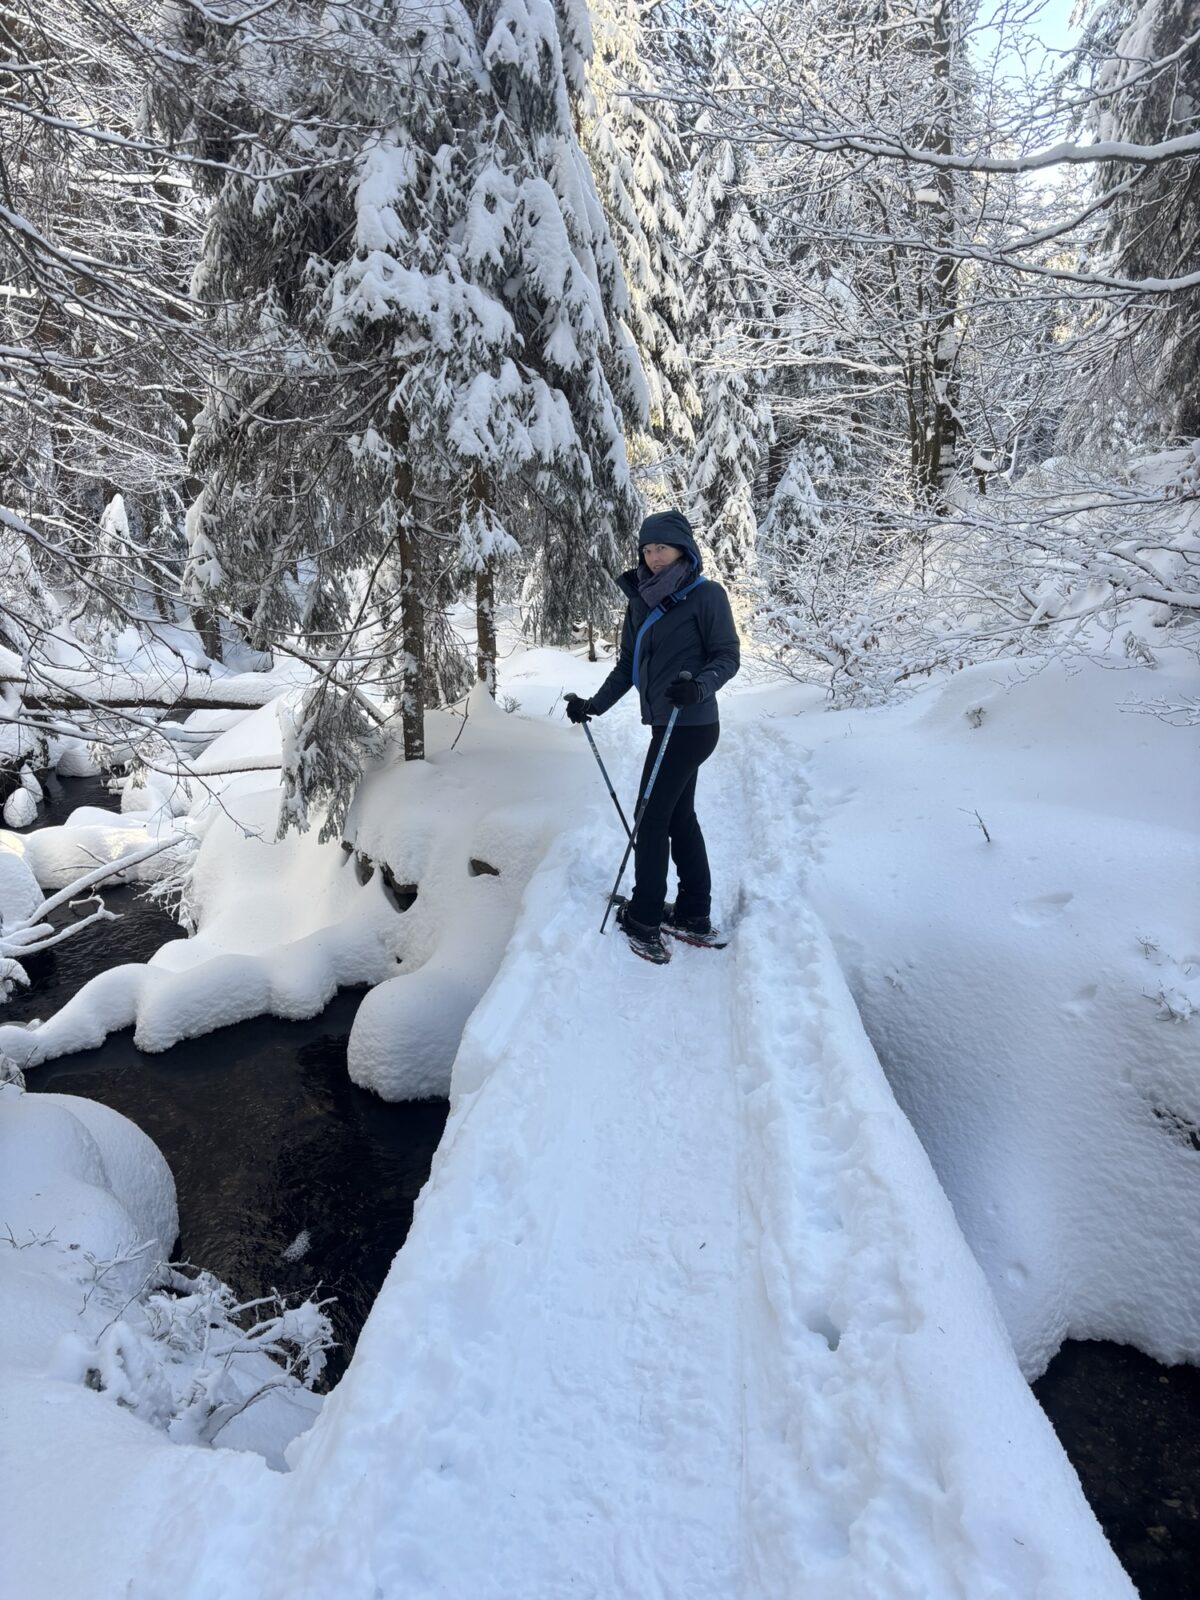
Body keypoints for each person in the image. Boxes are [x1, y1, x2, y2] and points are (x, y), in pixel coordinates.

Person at [565, 509, 740, 964]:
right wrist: (593, 705)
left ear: (683, 547)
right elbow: (627, 666)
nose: (654, 556)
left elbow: (727, 655)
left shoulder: (707, 596)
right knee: (679, 819)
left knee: (651, 819)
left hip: (694, 724)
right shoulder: (641, 599)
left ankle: (643, 919)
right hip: (667, 726)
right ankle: (693, 915)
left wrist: (698, 686)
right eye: (647, 548)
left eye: (661, 546)